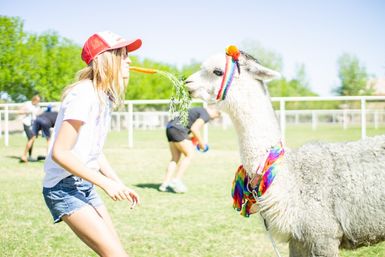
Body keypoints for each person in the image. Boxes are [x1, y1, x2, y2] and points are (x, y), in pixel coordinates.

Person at [42, 31, 141, 257]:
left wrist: (119, 183)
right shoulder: (83, 94)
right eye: (123, 54)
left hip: (83, 185)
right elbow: (60, 152)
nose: (130, 60)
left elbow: (94, 153)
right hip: (62, 189)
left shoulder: (102, 96)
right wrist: (107, 185)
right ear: (105, 59)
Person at [159, 106, 221, 193]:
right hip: (178, 130)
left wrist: (192, 139)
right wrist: (202, 144)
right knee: (189, 155)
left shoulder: (197, 109)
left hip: (170, 128)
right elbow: (194, 129)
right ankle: (176, 180)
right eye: (216, 116)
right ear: (214, 111)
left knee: (175, 158)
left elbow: (187, 126)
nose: (213, 119)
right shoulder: (206, 114)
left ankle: (164, 184)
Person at [19, 95, 42, 161]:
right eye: (37, 101)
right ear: (34, 100)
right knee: (32, 138)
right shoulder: (27, 104)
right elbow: (19, 112)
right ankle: (24, 156)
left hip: (33, 125)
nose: (38, 102)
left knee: (32, 139)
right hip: (26, 123)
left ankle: (29, 156)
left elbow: (38, 114)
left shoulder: (37, 106)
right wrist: (27, 112)